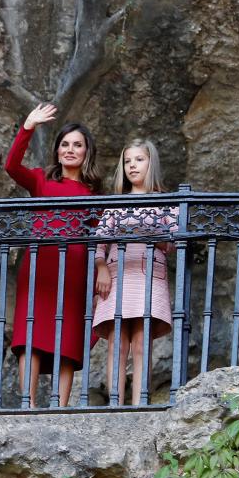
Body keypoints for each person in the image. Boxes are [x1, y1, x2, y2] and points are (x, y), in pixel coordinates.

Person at [5, 103, 102, 407]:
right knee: (30, 334)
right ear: (57, 150)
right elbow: (11, 166)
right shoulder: (41, 181)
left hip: (75, 269)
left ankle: (60, 406)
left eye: (77, 145)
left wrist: (102, 270)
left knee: (68, 335)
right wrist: (28, 126)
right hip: (40, 265)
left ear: (87, 153)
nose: (70, 150)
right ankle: (28, 402)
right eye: (65, 144)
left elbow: (101, 237)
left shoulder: (94, 194)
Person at [93, 138, 176, 405]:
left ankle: (140, 402)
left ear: (151, 162)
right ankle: (114, 403)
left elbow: (173, 242)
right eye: (127, 161)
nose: (132, 166)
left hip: (149, 275)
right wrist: (101, 268)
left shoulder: (166, 201)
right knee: (118, 343)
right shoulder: (116, 202)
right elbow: (100, 240)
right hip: (117, 274)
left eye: (138, 160)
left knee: (142, 343)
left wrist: (150, 232)